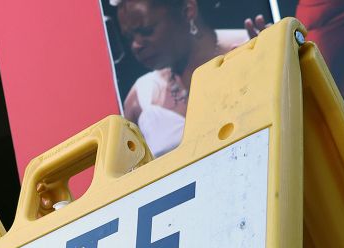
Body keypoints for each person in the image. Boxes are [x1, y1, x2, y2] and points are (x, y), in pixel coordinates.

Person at [115, 0, 271, 155]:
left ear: (188, 10)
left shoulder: (254, 48)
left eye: (146, 31)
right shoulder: (140, 99)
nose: (136, 45)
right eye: (129, 38)